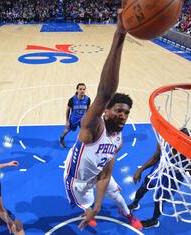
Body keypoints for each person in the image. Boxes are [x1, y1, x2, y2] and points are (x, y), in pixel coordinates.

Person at [63, 11, 142, 230]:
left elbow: (106, 172)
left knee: (117, 195)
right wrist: (120, 34)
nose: (123, 115)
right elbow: (105, 92)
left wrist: (100, 204)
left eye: (126, 113)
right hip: (77, 180)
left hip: (97, 173)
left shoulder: (118, 140)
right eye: (118, 110)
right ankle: (89, 209)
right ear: (106, 111)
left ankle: (127, 213)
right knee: (87, 206)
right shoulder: (94, 127)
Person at [128, 128, 191, 228]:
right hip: (157, 173)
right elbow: (155, 158)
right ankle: (135, 204)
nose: (175, 145)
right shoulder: (163, 142)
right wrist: (140, 170)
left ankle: (154, 221)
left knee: (159, 201)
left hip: (171, 182)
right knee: (142, 189)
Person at [59, 83, 91, 148]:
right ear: (77, 90)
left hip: (82, 120)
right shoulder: (72, 100)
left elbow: (88, 109)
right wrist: (67, 121)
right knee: (66, 130)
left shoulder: (87, 99)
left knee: (85, 132)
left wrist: (88, 119)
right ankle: (61, 139)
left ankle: (82, 144)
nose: (82, 91)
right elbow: (68, 110)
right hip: (73, 119)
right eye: (80, 89)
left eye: (84, 89)